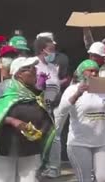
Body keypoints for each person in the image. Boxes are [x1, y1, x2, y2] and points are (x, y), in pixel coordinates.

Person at [0, 57, 55, 182]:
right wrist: (13, 121)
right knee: (3, 179)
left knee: (30, 180)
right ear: (19, 73)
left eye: (34, 69)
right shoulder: (3, 90)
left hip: (30, 149)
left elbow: (46, 115)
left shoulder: (36, 92)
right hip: (5, 148)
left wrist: (41, 131)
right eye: (29, 69)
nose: (34, 71)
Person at [58, 59, 105, 182]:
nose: (93, 74)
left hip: (101, 142)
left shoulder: (101, 89)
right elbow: (62, 110)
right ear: (82, 72)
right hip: (79, 143)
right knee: (85, 179)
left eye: (96, 71)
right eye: (90, 71)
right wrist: (77, 94)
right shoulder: (72, 89)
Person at [32, 36, 62, 178]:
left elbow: (56, 86)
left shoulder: (52, 67)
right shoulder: (33, 65)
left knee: (54, 137)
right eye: (51, 49)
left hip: (52, 106)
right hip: (36, 107)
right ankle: (36, 168)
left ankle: (53, 167)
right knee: (36, 136)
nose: (53, 52)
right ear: (42, 50)